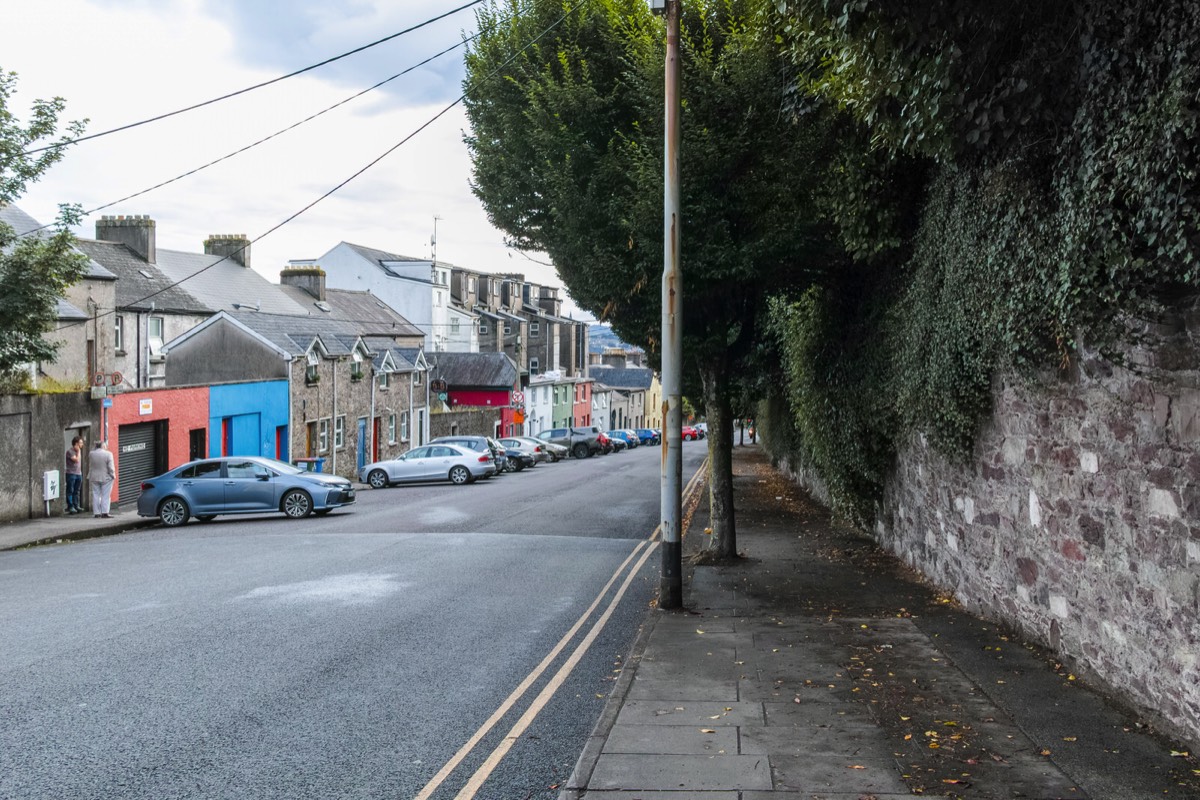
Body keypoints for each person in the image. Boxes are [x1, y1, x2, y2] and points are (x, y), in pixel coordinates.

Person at [87, 440, 116, 518]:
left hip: (94, 477)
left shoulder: (91, 454)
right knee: (105, 495)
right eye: (105, 446)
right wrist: (113, 475)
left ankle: (96, 513)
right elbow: (111, 467)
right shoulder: (108, 454)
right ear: (103, 446)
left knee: (96, 494)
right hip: (106, 477)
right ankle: (105, 512)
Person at [64, 436, 84, 514]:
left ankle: (76, 505)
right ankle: (70, 506)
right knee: (70, 490)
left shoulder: (78, 451)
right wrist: (79, 451)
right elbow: (76, 460)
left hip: (78, 474)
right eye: (81, 443)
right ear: (76, 444)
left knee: (76, 491)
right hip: (71, 474)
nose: (82, 444)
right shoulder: (70, 451)